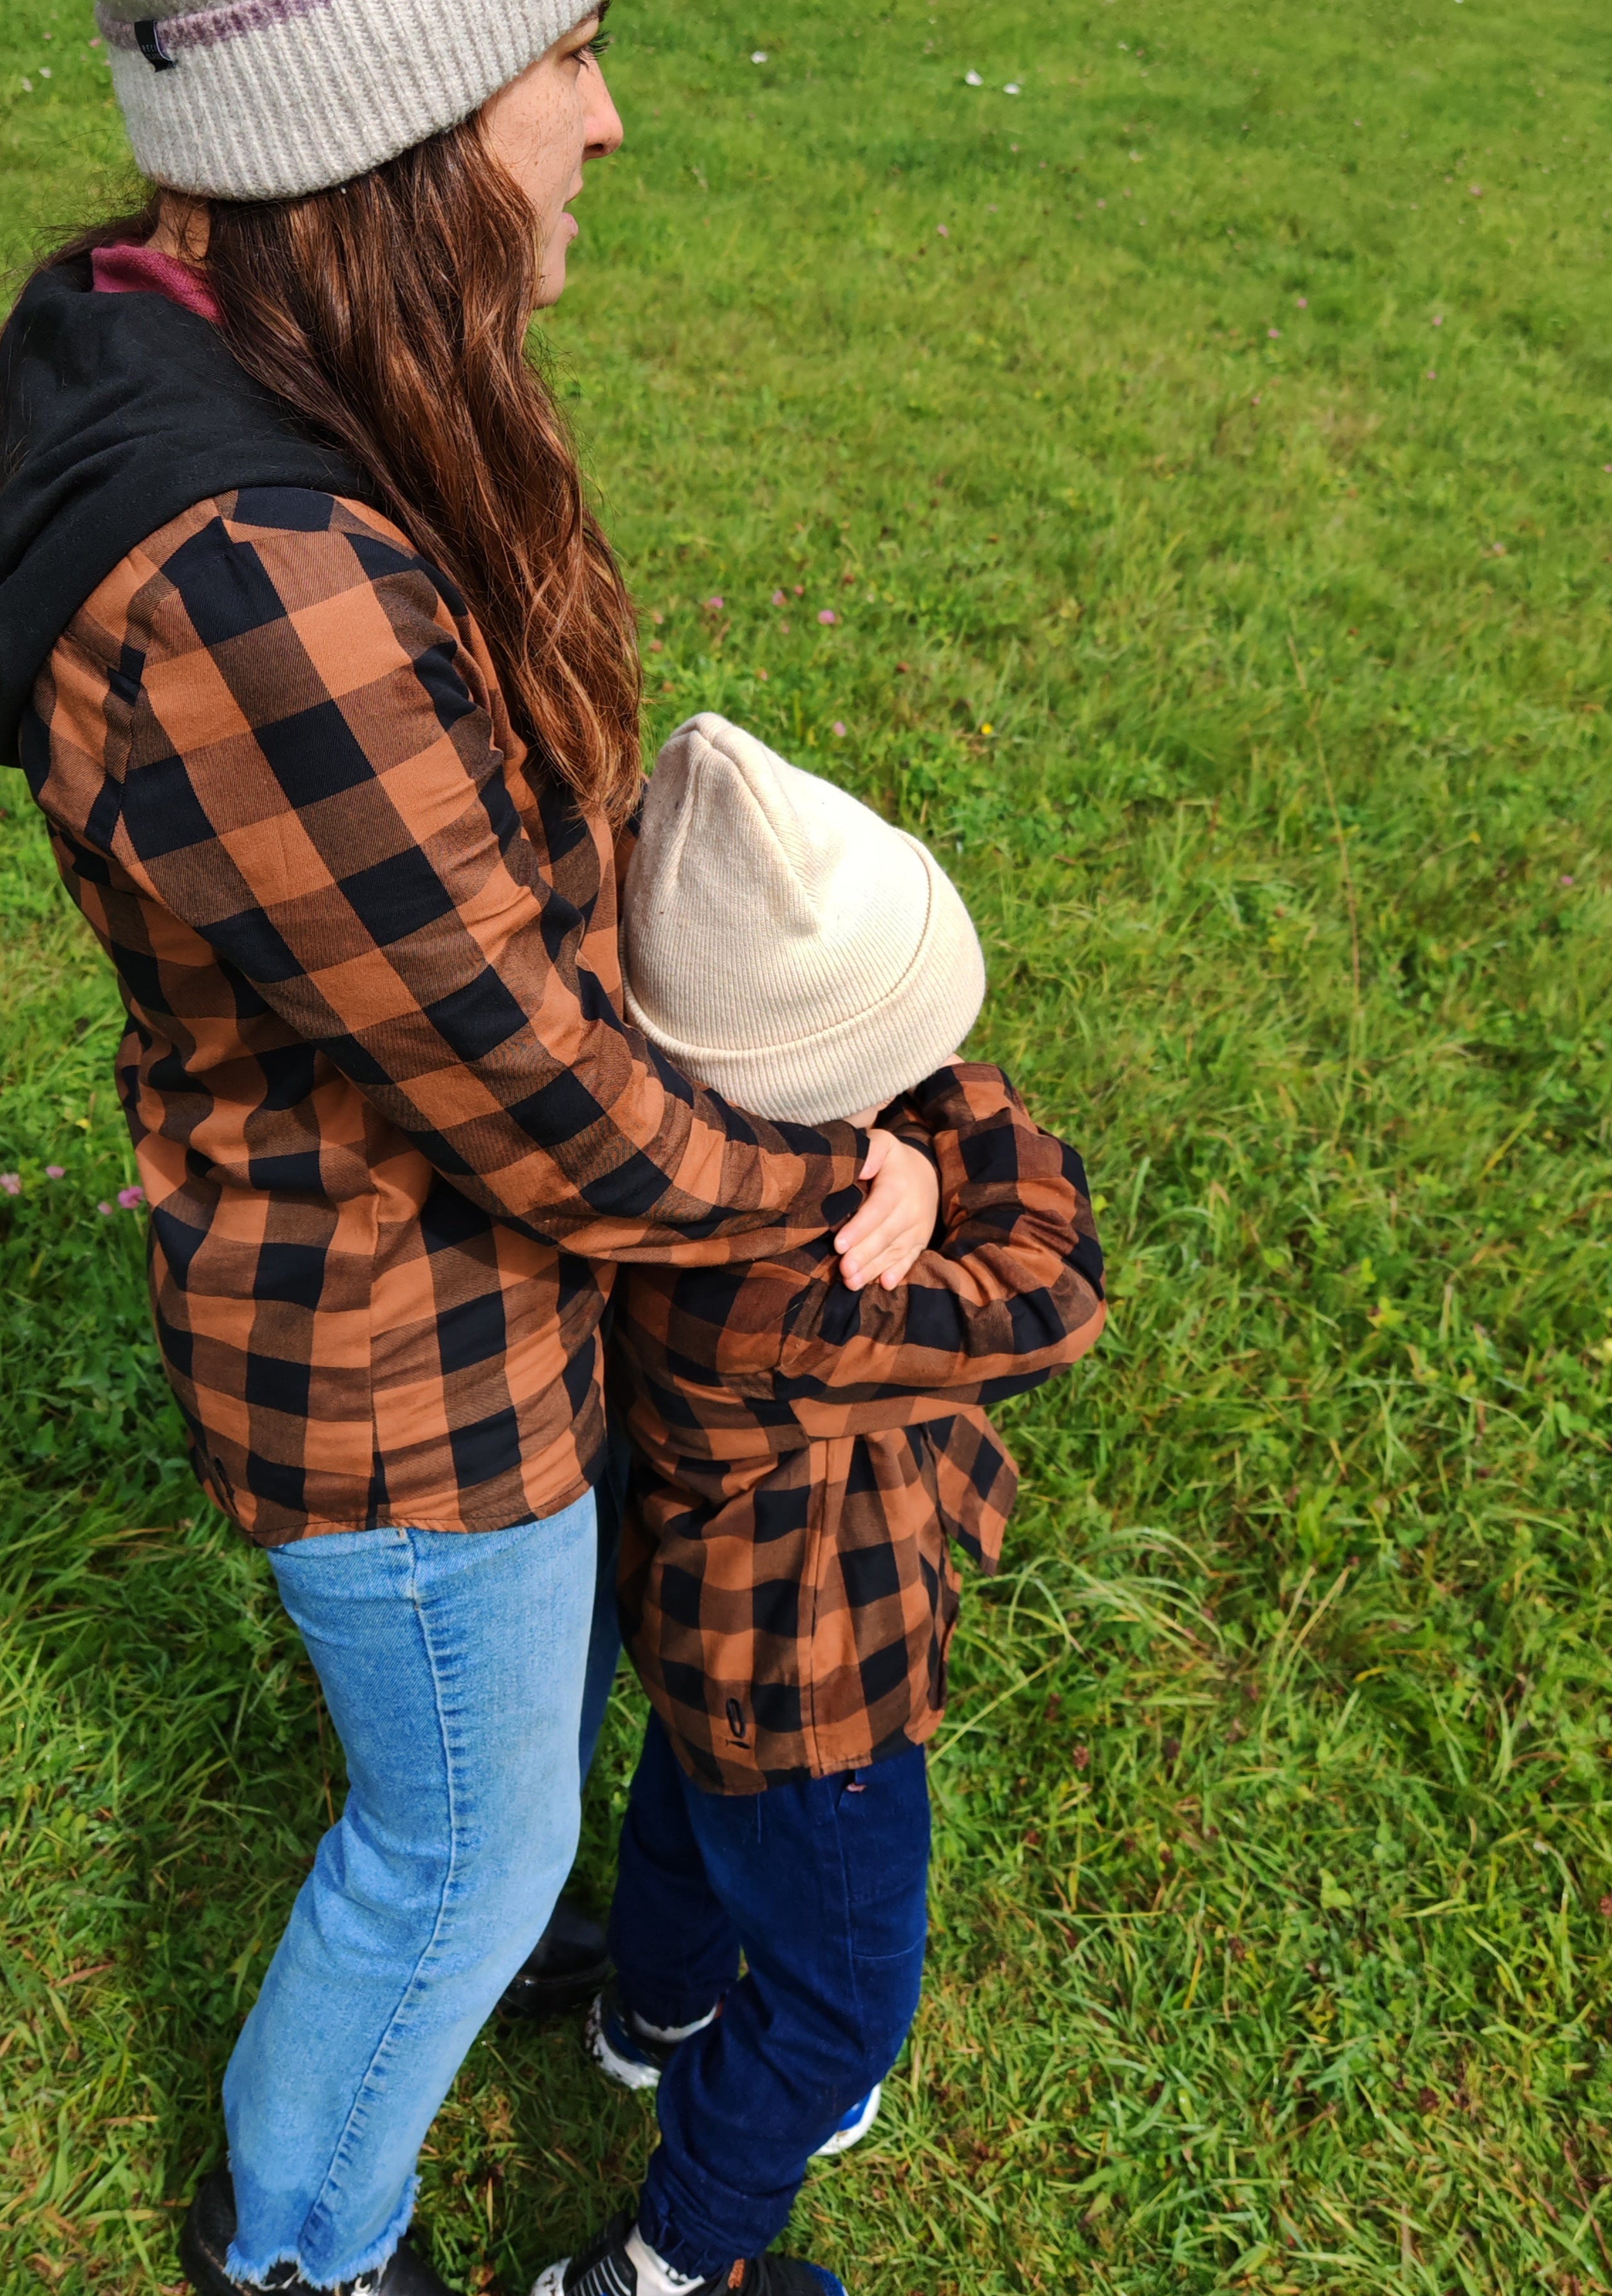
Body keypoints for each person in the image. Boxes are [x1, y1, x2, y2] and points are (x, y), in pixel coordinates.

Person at [0, 0, 941, 2293]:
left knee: (496, 1792)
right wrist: (830, 1170)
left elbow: (459, 936)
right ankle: (306, 2249)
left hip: (437, 1295)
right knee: (455, 1851)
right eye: (569, 47)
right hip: (403, 1370)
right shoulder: (251, 571)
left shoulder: (240, 353)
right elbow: (541, 1090)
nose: (608, 120)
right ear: (401, 102)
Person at [532, 717, 1107, 2296]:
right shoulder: (800, 1291)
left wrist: (882, 1134)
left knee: (688, 1821)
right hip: (820, 1687)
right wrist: (938, 1117)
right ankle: (670, 2258)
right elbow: (1051, 1298)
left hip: (708, 1641)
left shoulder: (684, 1188)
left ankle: (648, 2021)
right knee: (840, 1996)